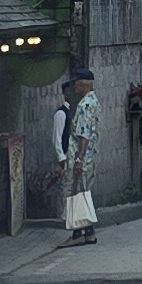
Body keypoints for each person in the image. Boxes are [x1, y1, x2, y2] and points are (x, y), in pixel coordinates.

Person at [56, 68, 101, 246]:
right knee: (83, 195)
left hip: (82, 158)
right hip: (90, 158)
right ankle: (89, 233)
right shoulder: (94, 101)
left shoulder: (84, 105)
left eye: (76, 83)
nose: (74, 87)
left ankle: (77, 234)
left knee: (74, 194)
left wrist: (78, 159)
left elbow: (84, 135)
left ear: (81, 84)